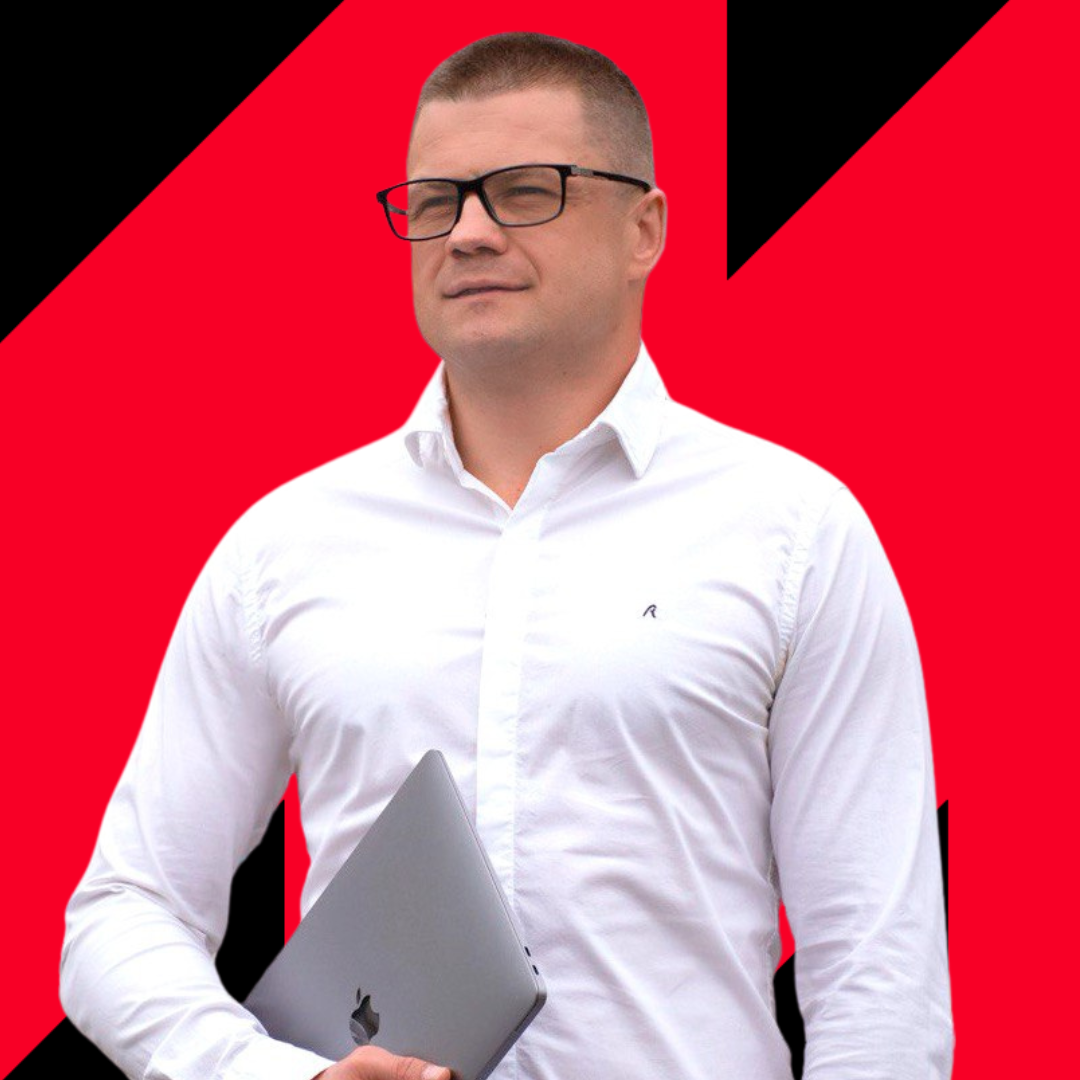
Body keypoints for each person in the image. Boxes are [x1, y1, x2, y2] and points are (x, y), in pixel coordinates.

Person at [59, 31, 953, 1080]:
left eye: (526, 191)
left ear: (645, 229)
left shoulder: (795, 534)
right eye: (435, 201)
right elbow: (124, 912)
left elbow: (877, 974)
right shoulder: (282, 548)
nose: (469, 233)